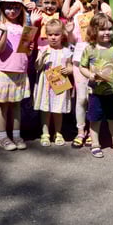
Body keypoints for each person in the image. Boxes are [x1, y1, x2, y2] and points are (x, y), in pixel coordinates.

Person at [79, 13, 113, 158]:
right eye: (102, 29)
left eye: (110, 29)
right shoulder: (90, 49)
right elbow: (82, 66)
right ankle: (95, 143)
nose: (107, 33)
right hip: (96, 91)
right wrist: (90, 75)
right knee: (95, 118)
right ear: (94, 31)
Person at [0, 0, 31, 151]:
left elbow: (26, 51)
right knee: (3, 107)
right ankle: (3, 137)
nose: (12, 10)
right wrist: (4, 32)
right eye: (8, 7)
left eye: (16, 7)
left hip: (20, 71)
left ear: (21, 8)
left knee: (16, 106)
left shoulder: (24, 27)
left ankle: (16, 135)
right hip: (4, 71)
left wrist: (29, 43)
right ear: (2, 8)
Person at [68, 0, 102, 148]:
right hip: (79, 60)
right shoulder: (77, 18)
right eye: (84, 1)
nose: (88, 4)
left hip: (97, 60)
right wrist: (68, 32)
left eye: (91, 0)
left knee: (93, 97)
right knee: (81, 98)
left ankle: (93, 130)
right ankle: (80, 131)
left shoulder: (102, 17)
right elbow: (72, 40)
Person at [33, 19, 73, 147]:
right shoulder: (44, 49)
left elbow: (71, 66)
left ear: (62, 35)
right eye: (50, 34)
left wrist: (69, 70)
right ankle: (45, 133)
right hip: (45, 84)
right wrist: (41, 58)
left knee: (58, 110)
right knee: (45, 109)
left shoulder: (66, 51)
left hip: (60, 83)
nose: (53, 37)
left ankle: (58, 132)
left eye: (56, 34)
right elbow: (37, 67)